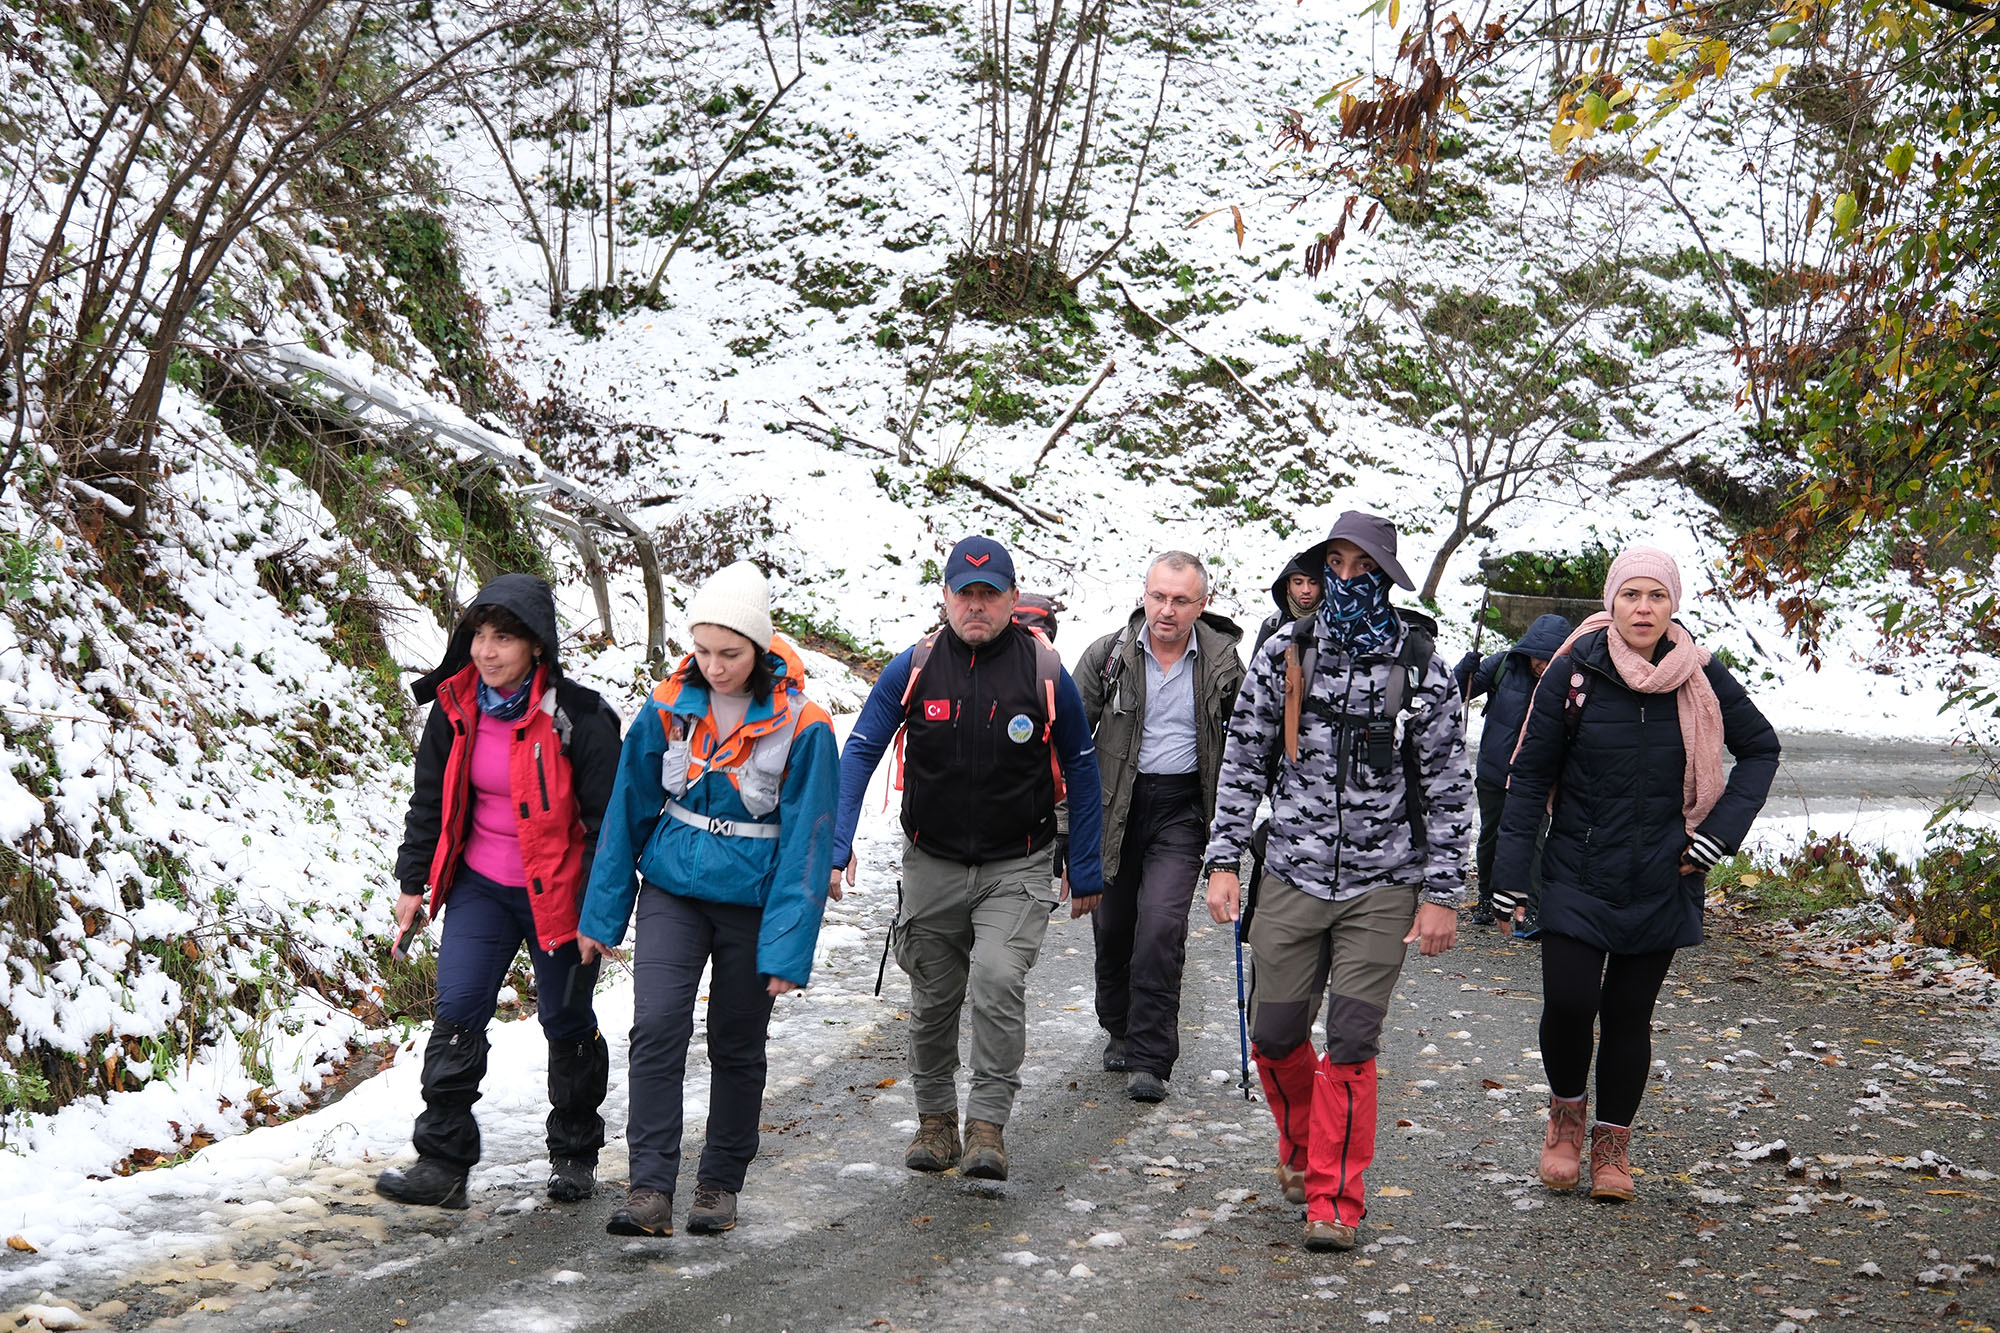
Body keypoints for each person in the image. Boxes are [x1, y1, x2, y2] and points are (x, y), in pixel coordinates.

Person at [1201, 511, 1473, 1252]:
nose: (1348, 579)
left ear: (1386, 575)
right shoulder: (1285, 652)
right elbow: (1243, 761)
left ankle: (1335, 1199)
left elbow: (1449, 785)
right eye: (1337, 565)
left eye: (1363, 567)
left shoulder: (1420, 667)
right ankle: (1300, 1141)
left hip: (1384, 885)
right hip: (1290, 869)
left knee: (1351, 1042)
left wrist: (1443, 892)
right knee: (1276, 1033)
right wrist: (1224, 861)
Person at [1494, 546, 1778, 1203]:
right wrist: (1510, 873)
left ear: (1673, 604)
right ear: (1611, 602)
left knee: (1628, 1014)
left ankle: (1611, 1143)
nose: (1643, 607)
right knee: (1569, 1000)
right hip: (1577, 867)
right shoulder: (1574, 669)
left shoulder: (1700, 675)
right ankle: (1566, 1115)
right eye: (1630, 595)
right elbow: (1530, 772)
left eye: (1656, 596)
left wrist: (1717, 836)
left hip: (1663, 874)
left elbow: (1761, 748)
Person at [576, 561, 840, 1238]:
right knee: (657, 1027)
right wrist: (601, 916)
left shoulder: (805, 725)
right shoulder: (667, 706)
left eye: (730, 653)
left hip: (753, 899)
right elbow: (626, 813)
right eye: (703, 650)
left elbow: (809, 843)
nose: (715, 667)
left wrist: (788, 947)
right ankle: (649, 1189)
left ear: (758, 650)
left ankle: (719, 1182)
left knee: (736, 1041)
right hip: (673, 888)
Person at [831, 535, 1104, 1182]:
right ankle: (934, 1121)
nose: (975, 606)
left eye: (989, 594)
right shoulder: (915, 667)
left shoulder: (1042, 673)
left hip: (1019, 862)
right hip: (932, 860)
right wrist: (837, 842)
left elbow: (1085, 769)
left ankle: (987, 1124)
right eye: (964, 593)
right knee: (932, 996)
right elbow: (861, 749)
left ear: (1012, 598)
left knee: (998, 977)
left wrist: (1085, 862)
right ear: (946, 597)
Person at [378, 575, 621, 1210]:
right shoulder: (456, 707)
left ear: (537, 646)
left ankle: (575, 1154)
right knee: (457, 1013)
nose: (486, 652)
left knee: (566, 1022)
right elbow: (429, 800)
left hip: (560, 897)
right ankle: (443, 1162)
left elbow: (607, 828)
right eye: (478, 636)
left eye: (504, 638)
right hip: (481, 888)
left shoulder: (583, 719)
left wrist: (601, 909)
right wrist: (413, 882)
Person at [1076, 552, 1244, 1102]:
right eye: (1157, 597)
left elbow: (1250, 746)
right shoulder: (1110, 656)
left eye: (1179, 600)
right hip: (1115, 804)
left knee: (1161, 927)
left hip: (1182, 810)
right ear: (1144, 594)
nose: (1165, 610)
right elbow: (1068, 743)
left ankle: (1151, 1056)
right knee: (1114, 927)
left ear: (1203, 605)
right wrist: (1064, 826)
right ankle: (1119, 1027)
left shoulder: (1223, 667)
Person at [1454, 613, 1572, 934]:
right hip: (1495, 770)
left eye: (1552, 658)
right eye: (1539, 657)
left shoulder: (1569, 678)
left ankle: (1531, 909)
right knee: (1492, 836)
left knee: (1535, 841)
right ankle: (1486, 898)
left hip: (1538, 777)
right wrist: (1466, 670)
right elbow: (1454, 693)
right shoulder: (1504, 666)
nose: (1544, 665)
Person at [1253, 548, 1324, 654]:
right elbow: (1255, 668)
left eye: (1313, 583)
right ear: (1287, 586)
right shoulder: (1272, 625)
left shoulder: (1333, 623)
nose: (1306, 590)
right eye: (1298, 583)